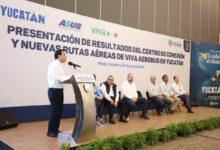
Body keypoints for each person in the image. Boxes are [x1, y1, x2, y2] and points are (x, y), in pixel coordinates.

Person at [47, 49, 67, 137]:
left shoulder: (61, 66)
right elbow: (55, 77)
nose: (66, 56)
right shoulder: (53, 65)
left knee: (59, 112)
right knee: (55, 111)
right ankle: (50, 131)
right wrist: (66, 78)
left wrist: (67, 78)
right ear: (58, 55)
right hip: (54, 90)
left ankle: (55, 129)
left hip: (59, 91)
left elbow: (61, 77)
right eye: (64, 54)